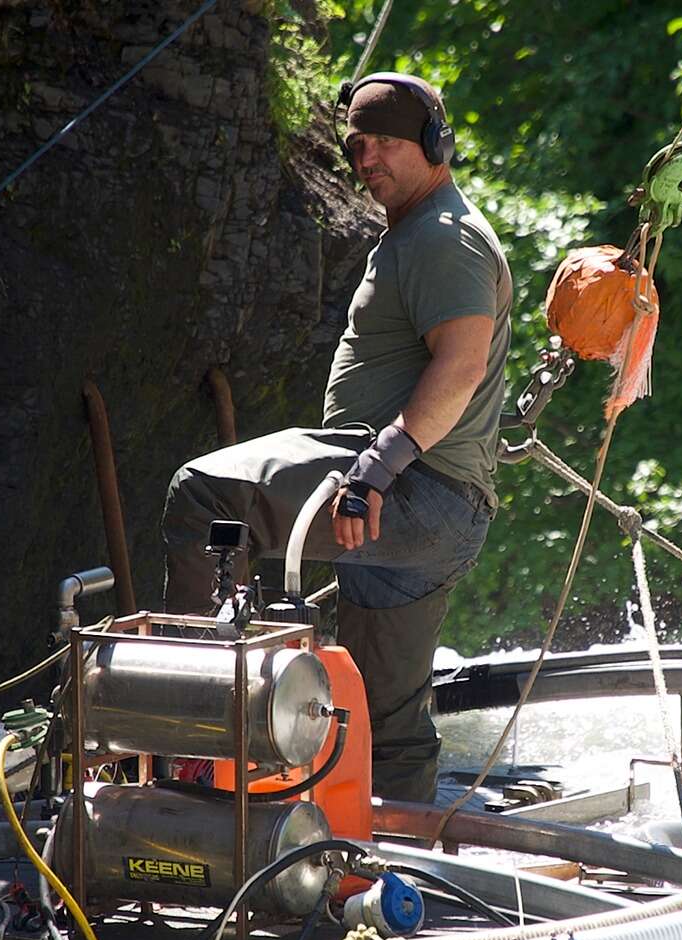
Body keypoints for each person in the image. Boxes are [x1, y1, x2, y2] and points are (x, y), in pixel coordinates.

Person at [161, 73, 512, 804]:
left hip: (407, 489)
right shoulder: (418, 232)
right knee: (384, 723)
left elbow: (461, 366)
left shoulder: (445, 238)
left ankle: (195, 732)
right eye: (357, 145)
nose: (367, 158)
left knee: (204, 495)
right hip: (434, 509)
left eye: (386, 142)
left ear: (435, 144)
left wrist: (374, 470)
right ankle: (394, 853)